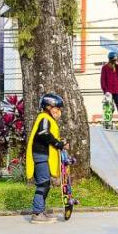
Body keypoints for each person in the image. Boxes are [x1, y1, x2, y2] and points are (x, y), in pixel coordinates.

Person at [25, 93, 69, 224]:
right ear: (49, 107)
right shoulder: (44, 118)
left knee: (45, 184)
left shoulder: (46, 119)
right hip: (41, 155)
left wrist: (59, 142)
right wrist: (58, 143)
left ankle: (41, 210)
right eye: (58, 108)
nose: (59, 112)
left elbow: (47, 135)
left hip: (43, 155)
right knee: (43, 184)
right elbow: (44, 133)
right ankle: (37, 213)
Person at [100, 51, 118, 130]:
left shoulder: (117, 66)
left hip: (117, 91)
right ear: (110, 59)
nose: (114, 62)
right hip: (108, 91)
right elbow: (102, 80)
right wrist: (105, 91)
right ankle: (107, 123)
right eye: (113, 60)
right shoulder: (105, 68)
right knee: (109, 108)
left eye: (115, 60)